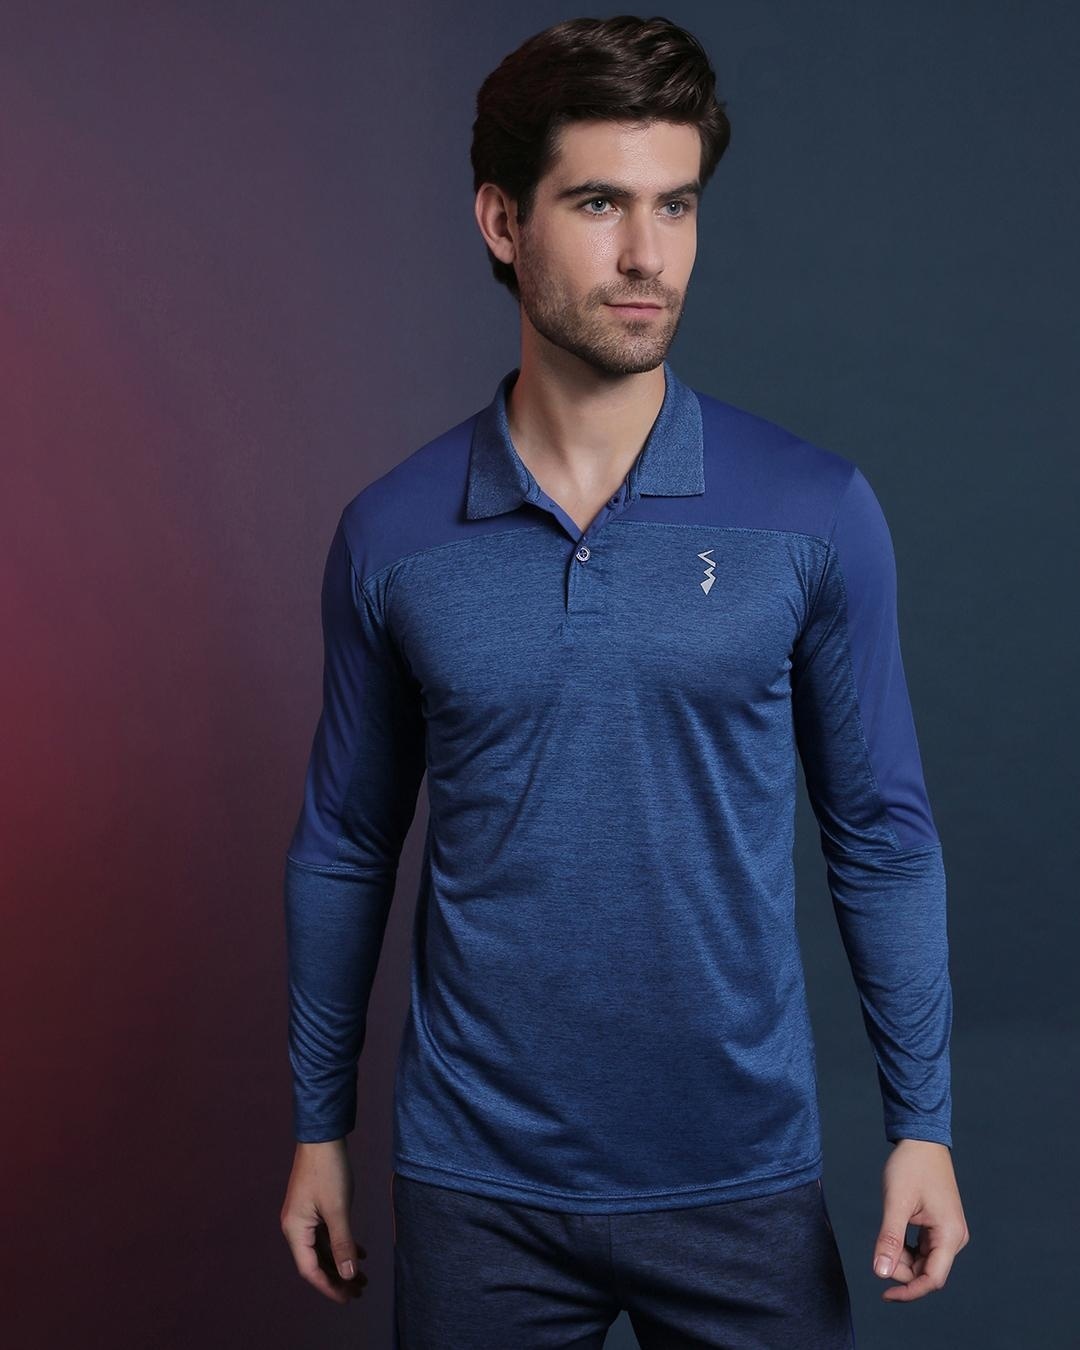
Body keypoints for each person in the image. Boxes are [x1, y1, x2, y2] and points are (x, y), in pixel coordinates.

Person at [279, 14, 970, 1347]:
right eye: (600, 203)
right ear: (502, 220)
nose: (648, 254)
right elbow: (347, 842)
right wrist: (319, 1127)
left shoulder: (813, 510)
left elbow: (881, 835)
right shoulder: (391, 534)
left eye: (676, 205)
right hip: (476, 1191)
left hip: (743, 1182)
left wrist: (922, 1122)